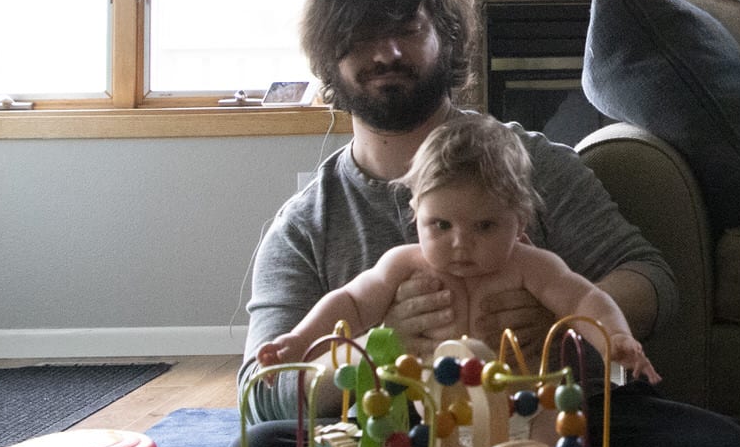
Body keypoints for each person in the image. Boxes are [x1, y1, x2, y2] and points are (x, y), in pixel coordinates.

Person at [220, 0, 740, 447]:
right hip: (392, 442)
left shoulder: (531, 162)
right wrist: (369, 356)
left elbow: (653, 279)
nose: (387, 53)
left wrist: (563, 320)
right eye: (361, 36)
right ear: (330, 60)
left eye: (407, 29)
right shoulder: (306, 221)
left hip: (549, 420)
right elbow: (261, 391)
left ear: (446, 41)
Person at [257, 113, 659, 383]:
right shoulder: (402, 264)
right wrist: (300, 340)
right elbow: (349, 304)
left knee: (550, 426)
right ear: (415, 214)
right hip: (427, 406)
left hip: (519, 401)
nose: (460, 243)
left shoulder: (530, 266)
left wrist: (615, 338)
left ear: (520, 220)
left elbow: (585, 299)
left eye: (485, 226)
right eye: (441, 225)